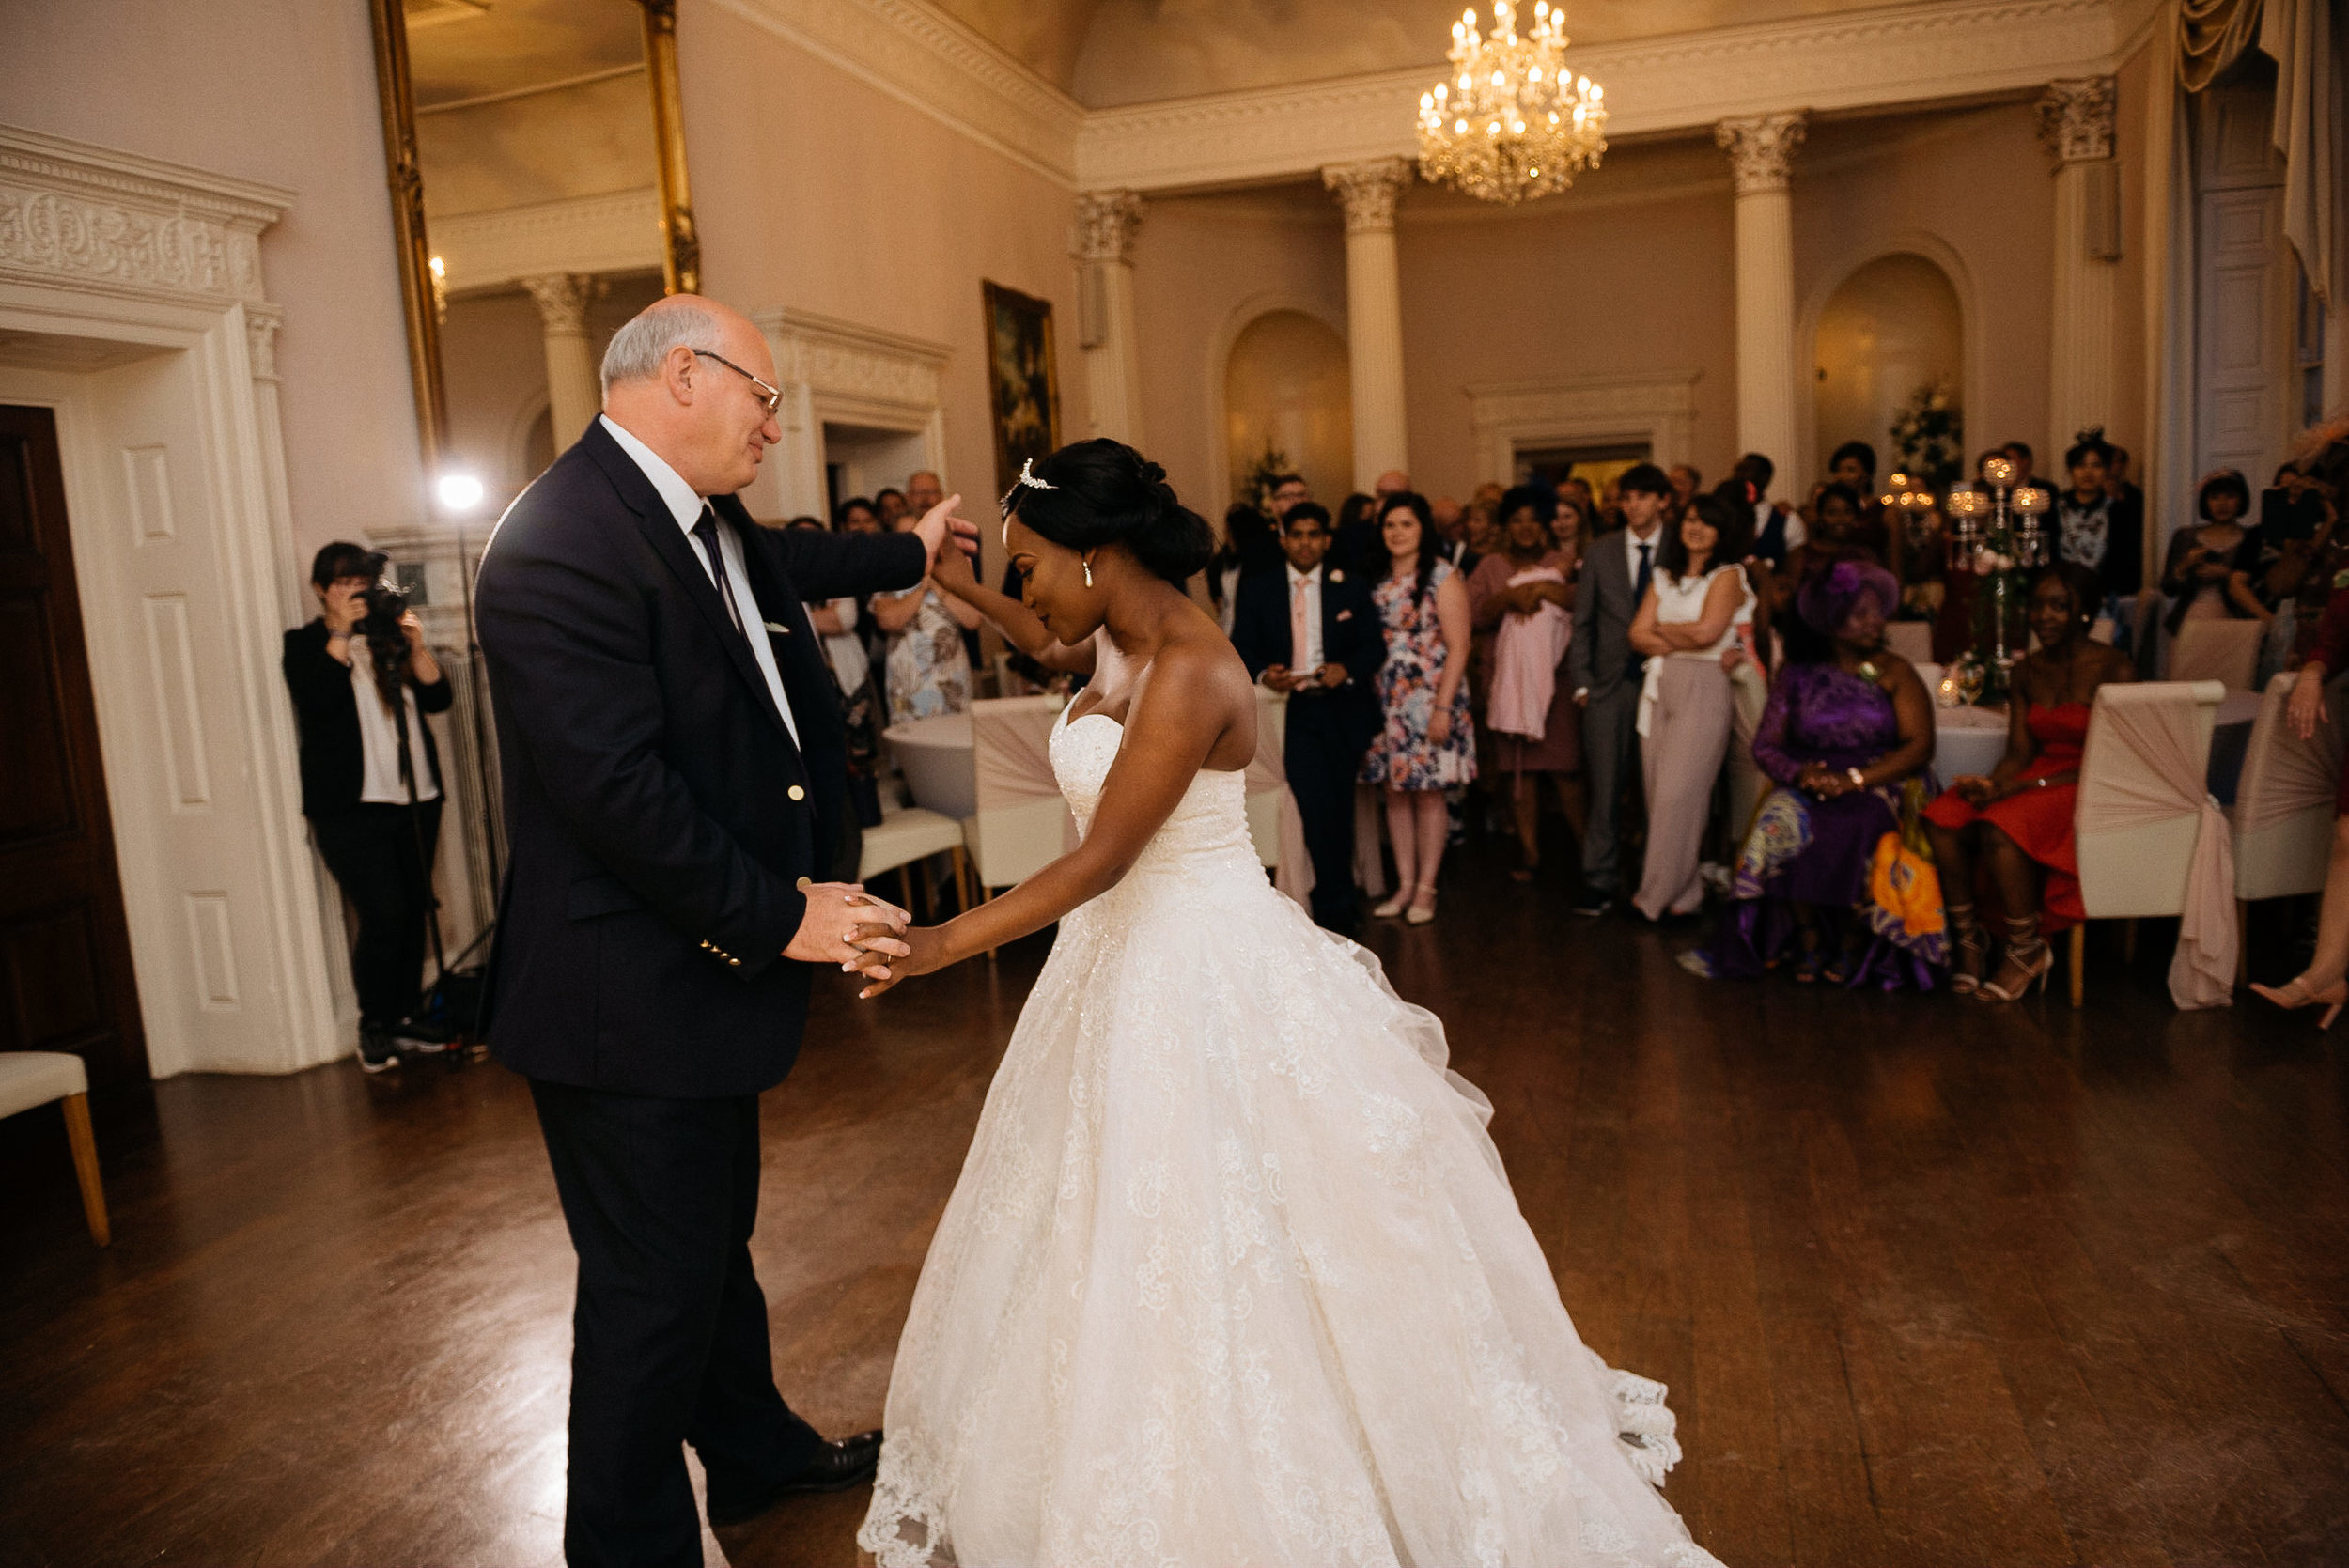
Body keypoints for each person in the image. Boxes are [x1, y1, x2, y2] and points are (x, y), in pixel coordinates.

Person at [852, 437, 1723, 1568]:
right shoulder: (1111, 629)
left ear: (1100, 552)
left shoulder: (1194, 669)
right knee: (1101, 1216)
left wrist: (936, 944)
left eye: (1030, 563)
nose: (1027, 588)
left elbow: (1106, 855)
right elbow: (1037, 634)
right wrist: (952, 576)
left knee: (1244, 1223)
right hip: (1114, 968)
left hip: (1202, 960)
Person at [472, 293, 977, 1566]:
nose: (776, 419)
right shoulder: (560, 542)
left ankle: (751, 1456)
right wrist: (781, 915)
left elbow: (792, 564)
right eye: (763, 392)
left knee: (706, 1244)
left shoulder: (694, 518)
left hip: (688, 981)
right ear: (682, 376)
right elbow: (615, 792)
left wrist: (910, 550)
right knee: (649, 1292)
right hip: (621, 993)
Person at [1684, 559, 1940, 986]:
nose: (1875, 622)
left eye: (1877, 612)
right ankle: (1806, 934)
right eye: (1861, 614)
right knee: (1780, 820)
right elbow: (1765, 745)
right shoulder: (1797, 674)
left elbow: (1919, 746)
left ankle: (1855, 940)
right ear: (1831, 621)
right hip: (1812, 776)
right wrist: (1802, 776)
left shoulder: (1896, 670)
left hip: (1883, 776)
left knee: (1867, 821)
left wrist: (1856, 780)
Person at [1922, 563, 2135, 1001]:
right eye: (2037, 605)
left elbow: (2117, 760)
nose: (2044, 616)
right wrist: (1992, 784)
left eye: (2059, 605)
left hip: (2091, 782)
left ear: (2084, 610)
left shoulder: (2115, 667)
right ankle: (1970, 941)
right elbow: (2019, 754)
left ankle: (2025, 948)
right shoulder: (2026, 671)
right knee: (1943, 816)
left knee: (1999, 828)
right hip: (2036, 777)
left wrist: (2022, 790)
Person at [283, 541, 454, 1072]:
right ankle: (373, 1024)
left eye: (361, 582)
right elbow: (320, 700)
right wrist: (339, 633)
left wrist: (416, 645)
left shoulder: (384, 636)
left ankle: (406, 1016)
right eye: (341, 583)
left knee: (411, 913)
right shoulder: (307, 644)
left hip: (415, 797)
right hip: (351, 807)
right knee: (383, 914)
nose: (354, 591)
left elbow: (438, 699)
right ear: (320, 590)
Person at [1230, 500, 1386, 930]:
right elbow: (1241, 645)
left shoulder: (1349, 585)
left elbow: (1374, 647)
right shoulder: (1259, 586)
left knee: (1339, 807)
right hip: (1291, 712)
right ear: (1283, 539)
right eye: (1296, 534)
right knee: (1313, 807)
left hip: (1340, 709)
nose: (1304, 542)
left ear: (1326, 540)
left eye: (1313, 534)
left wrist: (1345, 669)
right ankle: (1321, 904)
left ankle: (1341, 906)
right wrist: (1265, 673)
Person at [1628, 493, 1756, 921]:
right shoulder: (1664, 575)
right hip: (1660, 684)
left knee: (1678, 795)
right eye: (1690, 520)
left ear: (1723, 532)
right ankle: (1686, 893)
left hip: (1705, 685)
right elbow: (1636, 635)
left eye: (1707, 522)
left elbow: (1707, 633)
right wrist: (1677, 635)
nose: (1695, 528)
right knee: (1655, 794)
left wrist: (1662, 629)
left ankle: (1651, 898)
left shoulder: (1728, 574)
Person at [1360, 491, 1476, 923]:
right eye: (1390, 524)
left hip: (1430, 699)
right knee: (1394, 791)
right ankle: (1404, 885)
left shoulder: (1443, 576)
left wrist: (1443, 707)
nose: (1397, 533)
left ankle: (1427, 888)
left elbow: (1460, 646)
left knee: (1428, 794)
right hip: (1384, 698)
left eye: (1406, 524)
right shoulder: (1376, 577)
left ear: (1423, 529)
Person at [1566, 463, 1674, 913]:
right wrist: (1583, 685)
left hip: (1666, 683)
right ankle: (1600, 880)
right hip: (1608, 688)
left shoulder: (1681, 545)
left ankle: (1657, 882)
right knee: (1605, 787)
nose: (1633, 505)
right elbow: (1583, 622)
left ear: (1662, 501)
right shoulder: (1601, 551)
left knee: (1661, 790)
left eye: (1642, 497)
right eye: (1626, 498)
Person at [1472, 485, 1586, 882]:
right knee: (1519, 771)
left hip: (1556, 682)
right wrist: (1508, 598)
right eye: (1517, 520)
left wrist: (1545, 590)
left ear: (1546, 525)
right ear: (1506, 526)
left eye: (1533, 520)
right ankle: (1531, 855)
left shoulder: (1563, 562)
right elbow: (1473, 613)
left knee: (1566, 770)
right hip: (1506, 684)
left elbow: (1583, 604)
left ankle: (1589, 856)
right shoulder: (1489, 566)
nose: (1525, 527)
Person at [872, 504, 984, 724]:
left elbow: (973, 620)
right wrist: (922, 586)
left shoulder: (954, 570)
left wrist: (939, 587)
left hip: (952, 682)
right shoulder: (886, 576)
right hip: (909, 686)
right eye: (905, 536)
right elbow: (889, 620)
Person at [2158, 468, 2266, 645]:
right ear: (2205, 502)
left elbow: (2261, 588)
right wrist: (2185, 566)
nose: (2222, 504)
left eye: (2230, 496)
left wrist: (2227, 574)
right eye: (2215, 497)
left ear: (2241, 500)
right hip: (2190, 618)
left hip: (2236, 619)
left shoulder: (2251, 538)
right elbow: (2168, 588)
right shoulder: (2185, 536)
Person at [2051, 428, 2144, 606]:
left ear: (2106, 470)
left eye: (2096, 465)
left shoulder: (2119, 510)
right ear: (2070, 470)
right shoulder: (2055, 507)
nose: (2088, 472)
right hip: (2060, 593)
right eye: (2081, 465)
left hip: (2105, 597)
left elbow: (2127, 558)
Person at [1207, 500, 1280, 635]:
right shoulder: (1219, 563)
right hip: (1229, 631)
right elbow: (1220, 606)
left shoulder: (1259, 567)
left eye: (1230, 531)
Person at [1736, 452, 1803, 567]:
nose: (1739, 475)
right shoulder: (1723, 513)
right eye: (1738, 470)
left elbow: (1794, 569)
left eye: (1746, 470)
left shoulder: (1787, 519)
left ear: (1764, 477)